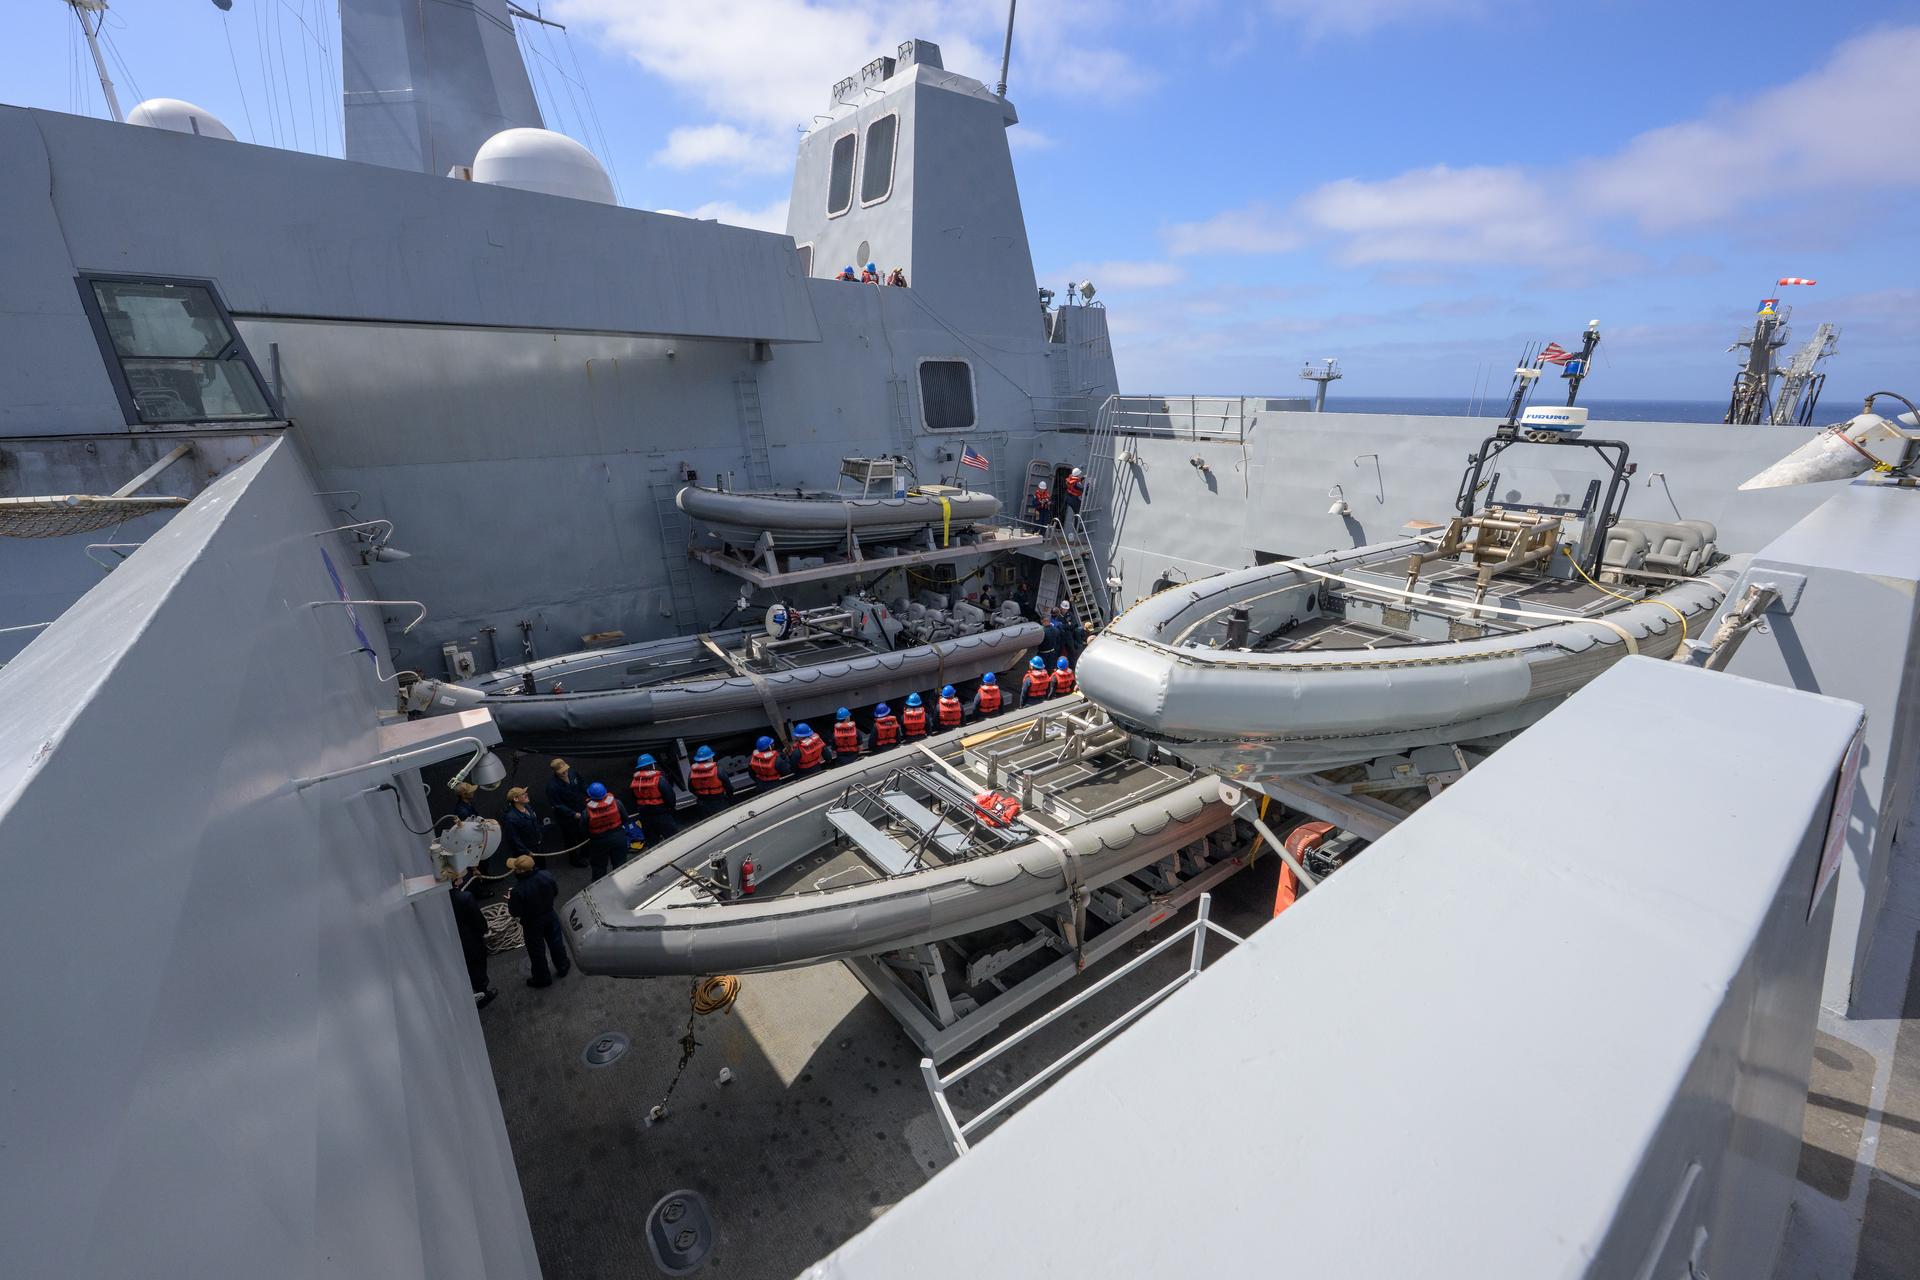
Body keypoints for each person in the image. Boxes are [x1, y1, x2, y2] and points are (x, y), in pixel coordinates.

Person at [505, 854, 570, 988]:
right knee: (556, 942)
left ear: (520, 871)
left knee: (537, 952)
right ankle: (563, 966)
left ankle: (542, 978)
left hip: (532, 923)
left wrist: (511, 900)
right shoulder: (546, 875)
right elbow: (555, 892)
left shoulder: (518, 890)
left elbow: (515, 912)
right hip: (550, 915)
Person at [447, 866, 497, 1008]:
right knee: (478, 966)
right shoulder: (465, 897)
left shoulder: (442, 899)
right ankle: (483, 993)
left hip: (454, 940)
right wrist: (484, 931)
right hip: (470, 940)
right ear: (455, 881)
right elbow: (477, 919)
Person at [546, 758, 589, 867]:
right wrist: (573, 814)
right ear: (555, 772)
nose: (565, 773)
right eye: (562, 772)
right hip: (566, 817)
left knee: (583, 832)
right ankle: (574, 860)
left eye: (566, 770)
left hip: (580, 808)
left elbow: (582, 785)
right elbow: (557, 805)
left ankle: (585, 853)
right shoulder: (552, 786)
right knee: (570, 839)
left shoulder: (573, 773)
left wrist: (590, 795)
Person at [583, 781, 630, 880]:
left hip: (598, 842)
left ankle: (599, 889)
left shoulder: (586, 812)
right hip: (618, 837)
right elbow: (625, 818)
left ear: (590, 796)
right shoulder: (617, 803)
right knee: (620, 864)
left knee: (599, 868)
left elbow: (583, 830)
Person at [628, 753, 682, 839]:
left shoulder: (634, 782)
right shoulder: (660, 780)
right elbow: (670, 797)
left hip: (645, 817)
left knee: (652, 842)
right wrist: (670, 808)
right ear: (652, 765)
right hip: (662, 815)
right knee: (673, 839)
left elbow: (633, 799)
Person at [501, 786, 544, 861]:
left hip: (537, 846)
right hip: (526, 852)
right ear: (516, 799)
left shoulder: (527, 807)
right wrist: (526, 852)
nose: (526, 794)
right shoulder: (511, 818)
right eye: (523, 794)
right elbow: (514, 839)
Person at [688, 745, 731, 816]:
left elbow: (691, 789)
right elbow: (728, 787)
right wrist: (729, 797)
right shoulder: (719, 770)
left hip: (703, 804)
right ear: (710, 758)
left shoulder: (692, 773)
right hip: (719, 801)